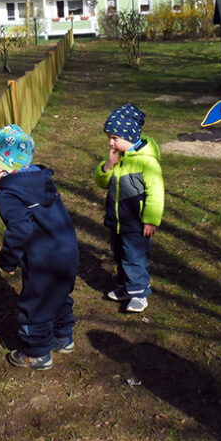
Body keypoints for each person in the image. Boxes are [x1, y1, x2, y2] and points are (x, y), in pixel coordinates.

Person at [0, 124, 79, 371]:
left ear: (1, 166)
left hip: (43, 259)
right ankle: (63, 337)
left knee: (35, 304)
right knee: (58, 295)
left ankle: (37, 353)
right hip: (66, 250)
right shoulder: (39, 178)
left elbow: (20, 229)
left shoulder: (8, 193)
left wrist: (8, 260)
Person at [95, 104, 164, 313]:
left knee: (134, 257)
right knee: (119, 254)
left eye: (115, 138)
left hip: (136, 223)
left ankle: (139, 293)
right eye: (110, 138)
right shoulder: (118, 157)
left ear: (130, 136)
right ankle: (127, 287)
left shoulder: (147, 162)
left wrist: (150, 220)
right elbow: (101, 182)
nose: (111, 143)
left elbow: (156, 193)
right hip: (117, 221)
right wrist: (107, 166)